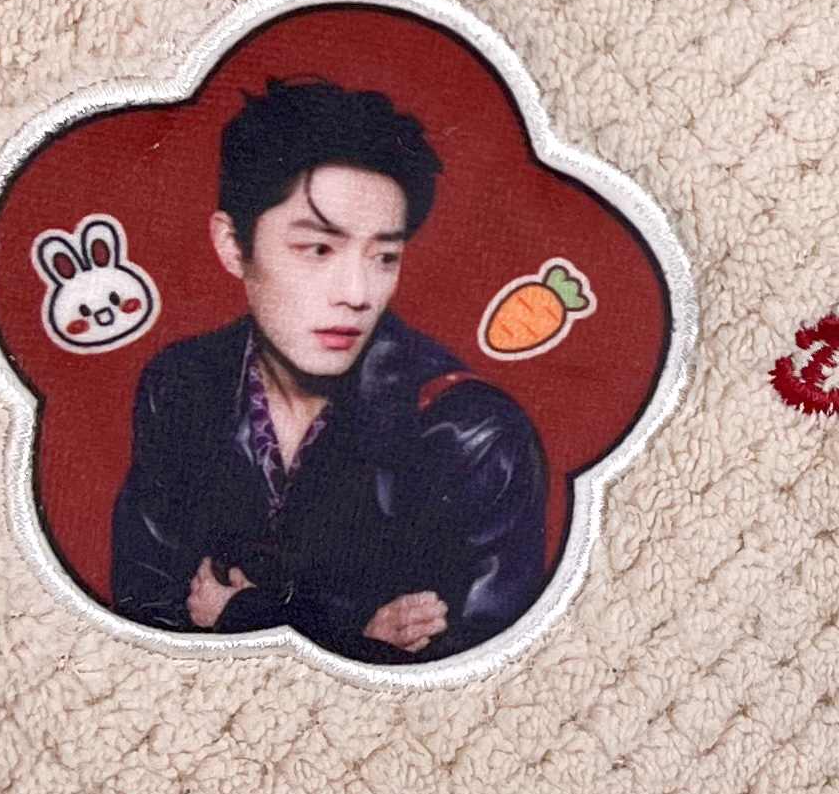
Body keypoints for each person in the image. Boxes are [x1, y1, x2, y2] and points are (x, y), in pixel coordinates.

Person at [105, 76, 550, 665]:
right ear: (233, 245)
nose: (357, 293)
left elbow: (472, 673)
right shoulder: (184, 384)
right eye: (318, 249)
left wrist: (251, 613)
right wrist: (357, 634)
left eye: (384, 256)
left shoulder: (469, 430)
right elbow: (143, 615)